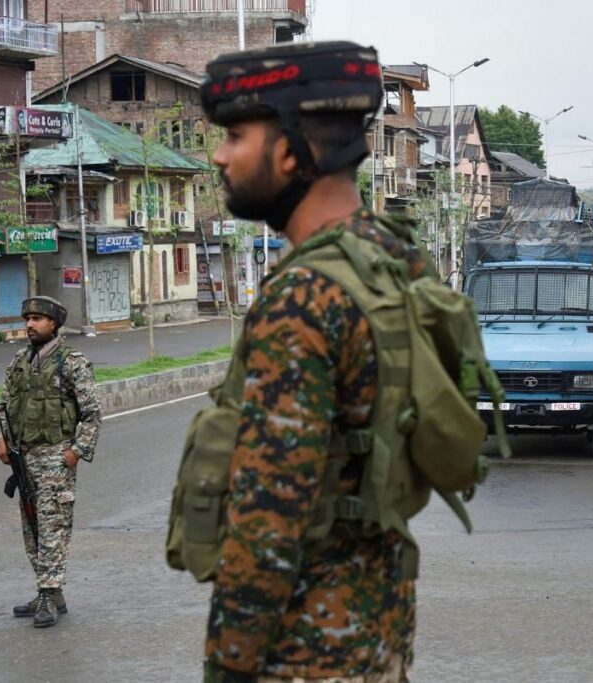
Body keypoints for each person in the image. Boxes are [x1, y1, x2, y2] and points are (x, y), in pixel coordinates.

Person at [199, 41, 434, 682]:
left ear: (288, 149)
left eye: (236, 135)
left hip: (304, 649)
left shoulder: (303, 298)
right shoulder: (393, 258)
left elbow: (270, 516)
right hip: (379, 625)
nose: (220, 155)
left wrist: (229, 665)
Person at [0, 296, 101, 628]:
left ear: (53, 324)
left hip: (56, 457)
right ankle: (51, 594)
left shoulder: (72, 363)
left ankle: (48, 590)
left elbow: (92, 414)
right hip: (24, 457)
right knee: (33, 528)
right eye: (27, 319)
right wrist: (2, 439)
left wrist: (76, 452)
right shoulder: (18, 362)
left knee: (53, 526)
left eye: (37, 319)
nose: (29, 325)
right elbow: (6, 401)